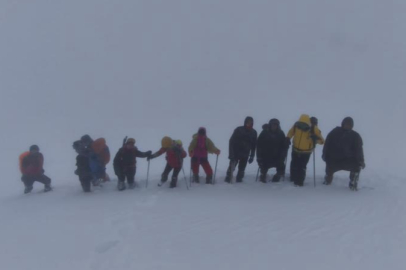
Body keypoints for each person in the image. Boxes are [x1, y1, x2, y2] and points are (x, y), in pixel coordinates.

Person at [322, 117, 365, 189]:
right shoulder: (334, 132)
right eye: (346, 124)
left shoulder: (355, 136)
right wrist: (325, 155)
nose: (348, 126)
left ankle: (353, 183)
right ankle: (327, 180)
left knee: (357, 167)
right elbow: (327, 145)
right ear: (343, 124)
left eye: (350, 125)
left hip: (348, 161)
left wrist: (361, 161)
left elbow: (359, 150)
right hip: (334, 160)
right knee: (329, 170)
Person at [286, 114, 324, 186]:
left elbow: (322, 141)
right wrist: (288, 138)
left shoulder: (314, 129)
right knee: (294, 164)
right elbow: (291, 132)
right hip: (295, 149)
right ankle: (293, 178)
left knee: (302, 166)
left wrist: (315, 139)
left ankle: (300, 181)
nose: (301, 126)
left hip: (306, 152)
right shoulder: (296, 126)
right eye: (300, 123)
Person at [225, 116, 257, 183]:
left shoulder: (254, 132)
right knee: (231, 167)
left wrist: (252, 155)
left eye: (251, 123)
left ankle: (239, 179)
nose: (249, 124)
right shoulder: (239, 130)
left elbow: (254, 145)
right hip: (236, 152)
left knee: (242, 169)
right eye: (248, 123)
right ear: (245, 123)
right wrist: (231, 154)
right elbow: (231, 141)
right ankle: (228, 178)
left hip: (245, 153)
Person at [256, 119, 288, 183]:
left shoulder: (281, 133)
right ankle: (263, 175)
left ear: (278, 125)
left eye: (276, 125)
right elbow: (259, 145)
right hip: (266, 156)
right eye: (273, 124)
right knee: (263, 166)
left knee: (281, 168)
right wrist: (259, 157)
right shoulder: (264, 132)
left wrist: (286, 144)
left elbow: (284, 147)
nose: (274, 126)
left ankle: (278, 175)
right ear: (270, 125)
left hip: (277, 156)